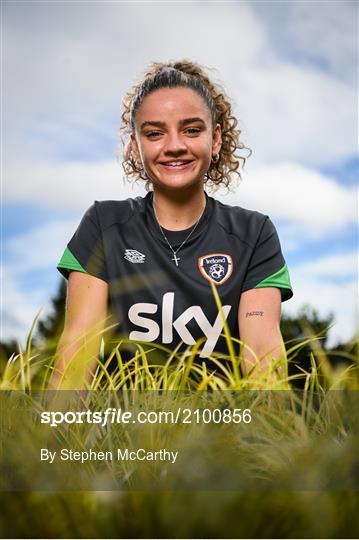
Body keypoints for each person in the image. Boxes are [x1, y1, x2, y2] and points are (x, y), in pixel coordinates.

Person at [53, 60, 293, 388]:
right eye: (154, 133)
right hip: (126, 433)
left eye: (192, 130)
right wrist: (55, 438)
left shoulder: (254, 233)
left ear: (217, 139)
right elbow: (77, 355)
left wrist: (272, 436)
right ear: (136, 148)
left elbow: (264, 359)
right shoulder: (103, 225)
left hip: (221, 433)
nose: (175, 145)